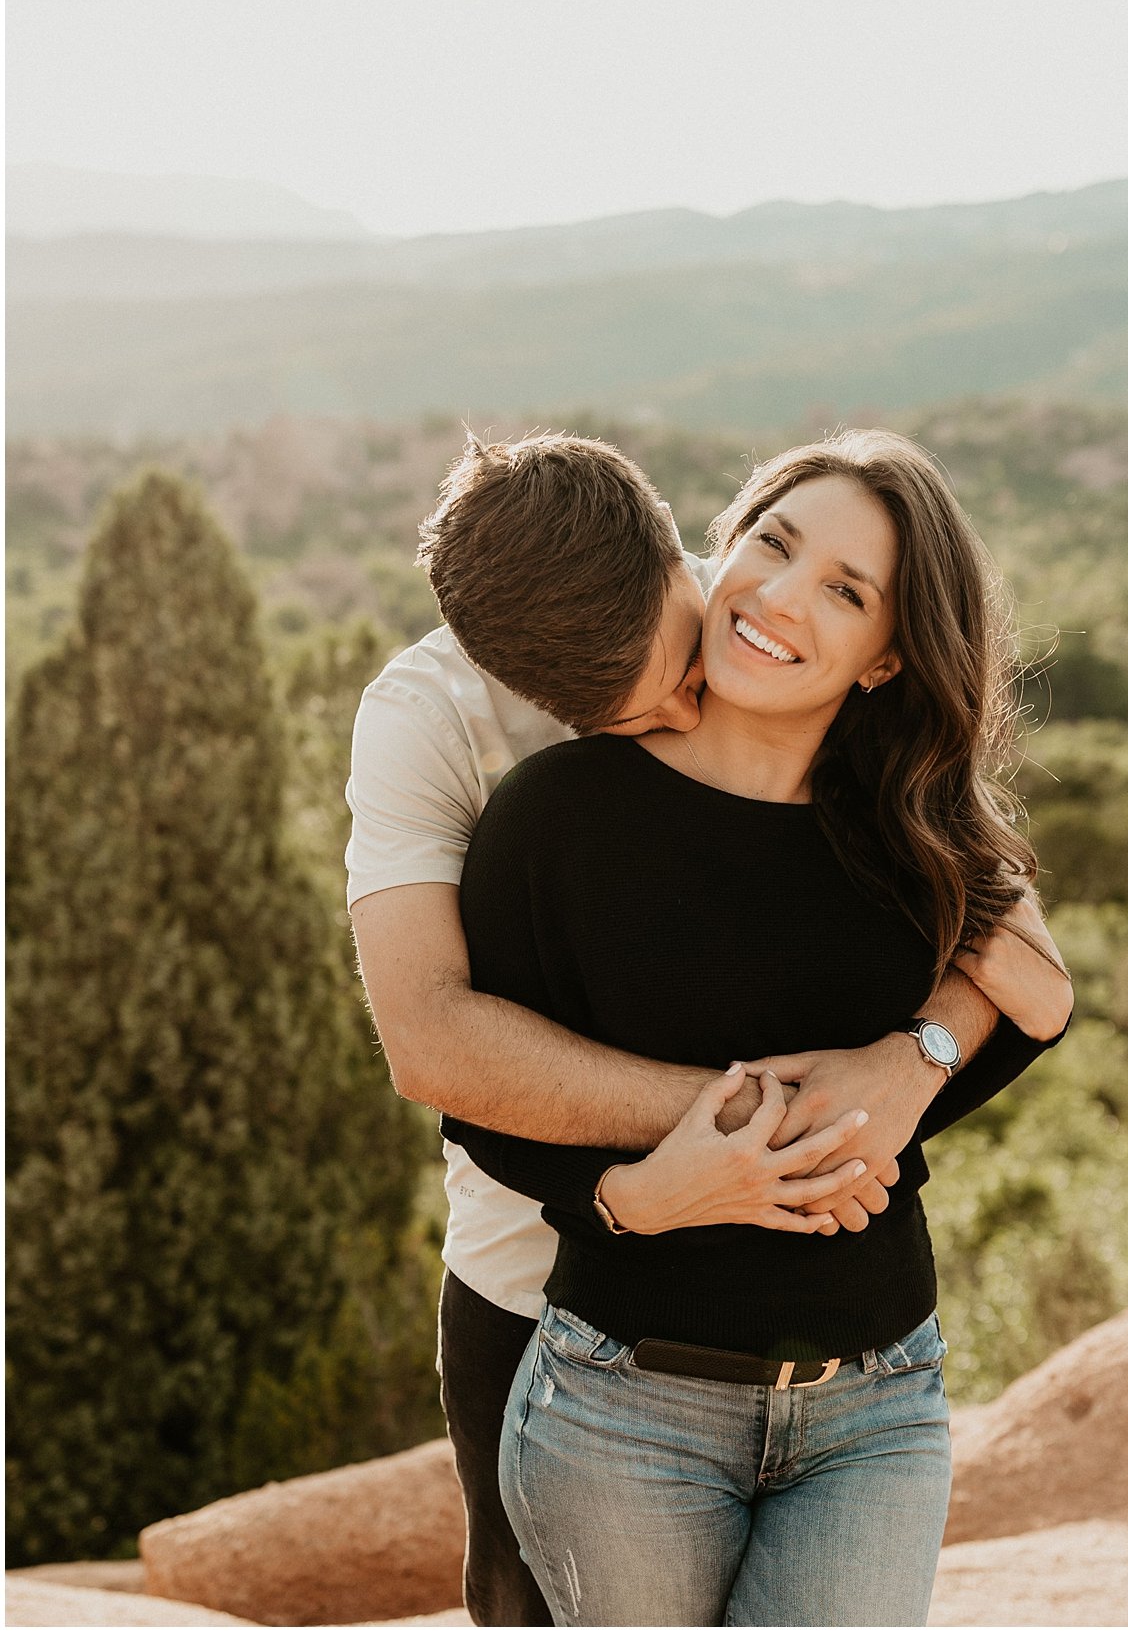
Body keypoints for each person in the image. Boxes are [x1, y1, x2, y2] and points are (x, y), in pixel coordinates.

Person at [345, 432, 1069, 1625]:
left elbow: (1032, 974)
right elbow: (433, 1044)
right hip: (540, 1285)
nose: (703, 694)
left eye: (687, 654)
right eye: (657, 705)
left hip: (853, 1372)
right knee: (516, 1605)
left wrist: (908, 1062)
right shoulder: (445, 729)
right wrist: (735, 1140)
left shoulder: (767, 614)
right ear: (547, 700)